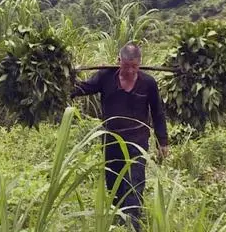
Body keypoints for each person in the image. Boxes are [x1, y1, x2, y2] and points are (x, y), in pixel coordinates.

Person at [71, 42, 169, 231]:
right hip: (111, 141)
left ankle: (133, 226)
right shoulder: (105, 78)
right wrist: (67, 78)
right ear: (118, 62)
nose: (131, 71)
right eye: (126, 66)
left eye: (134, 66)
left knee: (134, 183)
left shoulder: (148, 83)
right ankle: (118, 219)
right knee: (113, 183)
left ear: (139, 64)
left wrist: (162, 142)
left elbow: (158, 112)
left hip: (137, 142)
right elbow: (82, 89)